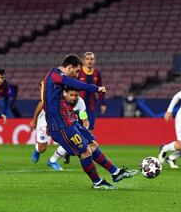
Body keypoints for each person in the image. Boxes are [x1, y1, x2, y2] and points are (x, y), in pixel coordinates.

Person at [43, 54, 137, 189]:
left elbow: (45, 96)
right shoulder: (56, 75)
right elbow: (73, 84)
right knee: (85, 151)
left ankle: (116, 173)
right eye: (76, 71)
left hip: (69, 120)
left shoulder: (53, 77)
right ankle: (97, 182)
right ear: (70, 67)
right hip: (61, 124)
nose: (77, 75)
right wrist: (96, 88)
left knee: (92, 144)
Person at [30, 86, 89, 170]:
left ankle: (52, 160)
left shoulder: (80, 102)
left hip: (62, 122)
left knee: (70, 140)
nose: (73, 98)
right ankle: (37, 149)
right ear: (66, 93)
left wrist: (85, 125)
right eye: (71, 95)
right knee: (42, 148)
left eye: (75, 95)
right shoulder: (57, 98)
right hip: (45, 120)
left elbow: (83, 115)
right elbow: (41, 104)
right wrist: (34, 120)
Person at [79, 52, 106, 132]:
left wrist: (103, 103)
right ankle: (82, 143)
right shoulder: (79, 72)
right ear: (83, 61)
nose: (89, 61)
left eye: (91, 59)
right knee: (82, 124)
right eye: (87, 59)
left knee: (91, 125)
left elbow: (100, 88)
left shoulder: (97, 73)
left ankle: (87, 143)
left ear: (94, 61)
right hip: (81, 105)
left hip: (91, 104)